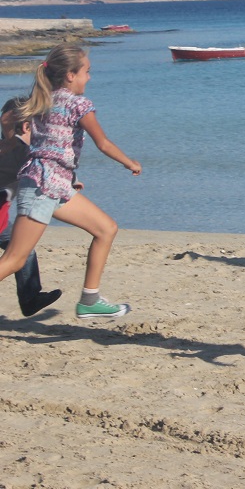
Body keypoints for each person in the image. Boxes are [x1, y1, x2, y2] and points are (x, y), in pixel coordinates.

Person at [0, 44, 141, 318]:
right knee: (15, 259)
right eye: (87, 71)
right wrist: (130, 162)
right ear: (70, 75)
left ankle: (90, 300)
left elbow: (12, 120)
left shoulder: (42, 99)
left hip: (56, 185)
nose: (89, 77)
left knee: (106, 229)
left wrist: (9, 140)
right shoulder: (79, 104)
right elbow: (103, 143)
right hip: (42, 187)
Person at [0, 96, 62, 316]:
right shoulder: (21, 151)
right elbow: (44, 170)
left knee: (23, 250)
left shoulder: (10, 148)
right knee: (21, 250)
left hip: (2, 221)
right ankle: (30, 298)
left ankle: (30, 298)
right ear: (26, 126)